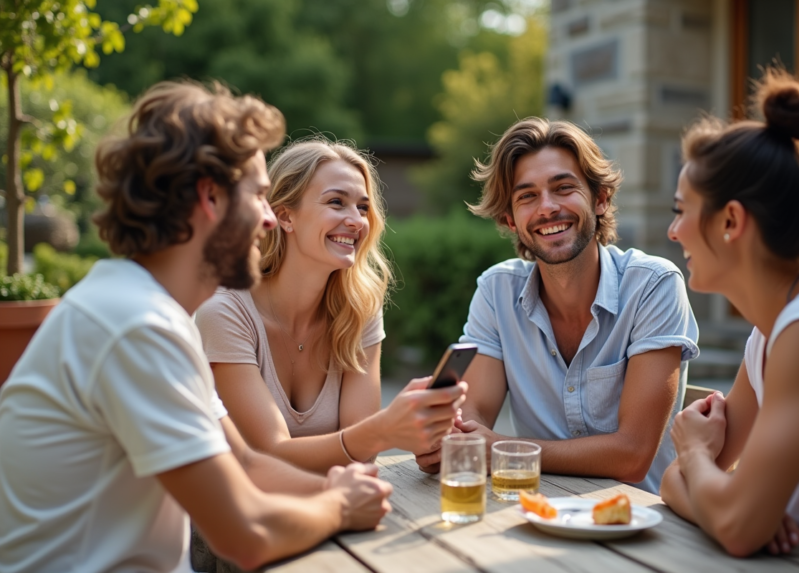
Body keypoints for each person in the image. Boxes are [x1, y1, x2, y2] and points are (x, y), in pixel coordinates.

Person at [0, 82, 392, 573]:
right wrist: (337, 506)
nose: (270, 220)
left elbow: (245, 465)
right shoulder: (134, 326)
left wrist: (345, 491)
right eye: (259, 197)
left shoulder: (151, 312)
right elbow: (245, 536)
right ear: (210, 198)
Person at [417, 117, 699, 494]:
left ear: (600, 200)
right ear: (510, 220)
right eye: (527, 196)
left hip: (639, 524)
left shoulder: (653, 286)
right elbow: (475, 413)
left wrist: (501, 449)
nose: (547, 208)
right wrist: (450, 438)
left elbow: (632, 455)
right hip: (538, 514)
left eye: (563, 188)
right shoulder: (496, 290)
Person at [660, 69, 799, 559]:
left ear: (730, 221)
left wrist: (696, 455)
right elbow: (673, 485)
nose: (673, 231)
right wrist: (727, 502)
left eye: (682, 210)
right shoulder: (770, 335)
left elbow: (733, 522)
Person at [194, 139, 466, 473]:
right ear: (285, 217)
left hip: (335, 504)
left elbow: (363, 454)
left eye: (363, 208)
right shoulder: (225, 312)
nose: (356, 221)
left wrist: (413, 429)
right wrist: (386, 430)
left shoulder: (359, 308)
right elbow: (267, 455)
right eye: (337, 202)